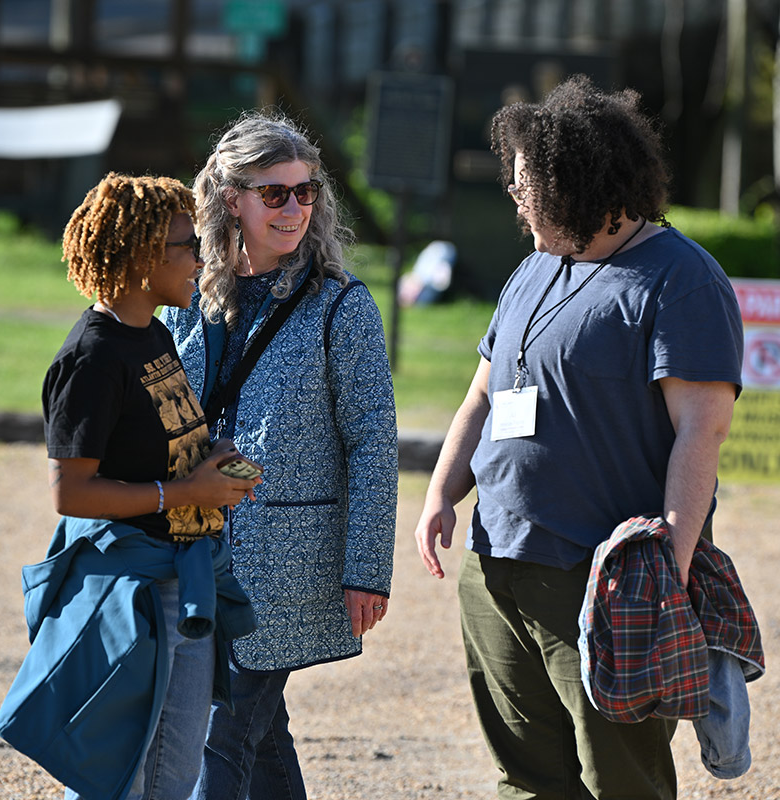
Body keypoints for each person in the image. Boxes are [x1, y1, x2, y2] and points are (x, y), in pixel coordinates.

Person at [413, 74, 744, 799]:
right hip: (497, 561)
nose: (516, 197)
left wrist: (671, 572)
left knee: (621, 780)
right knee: (525, 777)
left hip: (606, 581)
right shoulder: (533, 267)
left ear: (585, 184)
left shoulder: (681, 280)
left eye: (530, 185)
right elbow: (482, 395)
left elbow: (701, 434)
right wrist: (442, 491)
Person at [0, 173, 262, 800]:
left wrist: (206, 457)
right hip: (131, 593)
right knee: (118, 778)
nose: (200, 258)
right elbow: (71, 492)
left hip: (183, 576)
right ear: (142, 258)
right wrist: (183, 495)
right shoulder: (90, 358)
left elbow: (152, 447)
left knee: (176, 774)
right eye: (187, 246)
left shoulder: (156, 334)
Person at [161, 111, 398, 800]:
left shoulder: (341, 307)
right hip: (193, 550)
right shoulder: (186, 292)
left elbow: (372, 442)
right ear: (230, 197)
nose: (296, 208)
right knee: (259, 738)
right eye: (275, 193)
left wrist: (367, 570)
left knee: (219, 736)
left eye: (307, 191)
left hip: (289, 564)